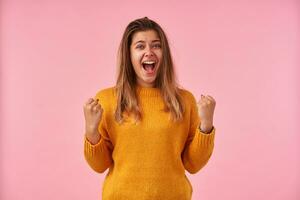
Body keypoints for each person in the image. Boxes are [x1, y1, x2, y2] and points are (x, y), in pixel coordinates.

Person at [83, 16, 216, 200]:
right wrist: (91, 130)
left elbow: (193, 164)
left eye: (156, 45)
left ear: (164, 53)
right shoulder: (106, 100)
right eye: (140, 46)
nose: (149, 52)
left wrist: (206, 124)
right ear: (128, 55)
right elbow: (99, 165)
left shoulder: (184, 101)